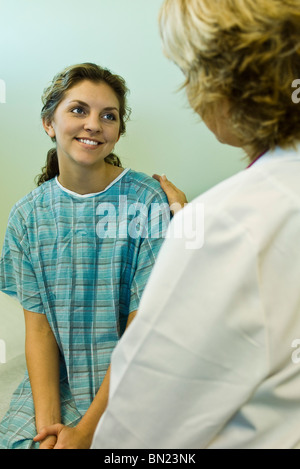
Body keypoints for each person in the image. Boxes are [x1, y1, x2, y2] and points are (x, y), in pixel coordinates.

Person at [90, 0, 300, 449]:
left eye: (189, 73)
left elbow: (136, 433)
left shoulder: (224, 222)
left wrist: (194, 231)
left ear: (220, 84)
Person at [0, 63, 170, 449]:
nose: (93, 124)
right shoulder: (27, 217)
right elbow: (39, 330)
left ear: (117, 133)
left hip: (136, 382)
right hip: (61, 385)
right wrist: (50, 430)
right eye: (78, 110)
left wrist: (85, 433)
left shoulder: (147, 201)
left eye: (107, 116)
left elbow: (142, 329)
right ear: (49, 123)